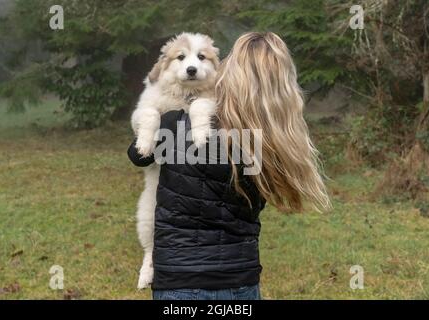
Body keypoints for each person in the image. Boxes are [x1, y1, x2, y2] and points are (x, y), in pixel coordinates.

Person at [128, 32, 331, 300]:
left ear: (229, 72)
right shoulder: (267, 140)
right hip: (240, 280)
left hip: (179, 279)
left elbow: (137, 155)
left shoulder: (174, 125)